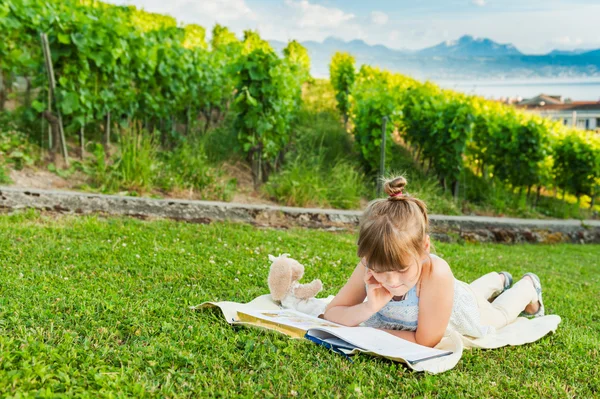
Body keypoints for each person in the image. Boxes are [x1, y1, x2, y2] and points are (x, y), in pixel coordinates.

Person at [322, 176, 545, 348]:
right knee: (470, 290)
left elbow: (425, 341)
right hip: (444, 297)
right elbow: (332, 313)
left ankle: (528, 286)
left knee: (498, 316)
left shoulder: (435, 273)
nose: (391, 281)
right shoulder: (371, 261)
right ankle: (498, 279)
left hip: (462, 308)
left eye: (401, 269)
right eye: (380, 270)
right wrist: (368, 307)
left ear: (424, 249)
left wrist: (363, 333)